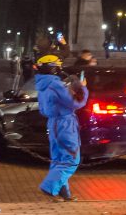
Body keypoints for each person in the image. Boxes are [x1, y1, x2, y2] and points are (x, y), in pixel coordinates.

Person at [34, 54, 88, 202]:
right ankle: (49, 187)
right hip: (65, 124)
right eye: (58, 67)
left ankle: (64, 194)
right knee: (71, 159)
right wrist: (83, 88)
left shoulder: (43, 84)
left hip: (53, 123)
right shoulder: (55, 84)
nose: (60, 69)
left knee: (59, 159)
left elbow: (44, 108)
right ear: (53, 68)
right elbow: (75, 103)